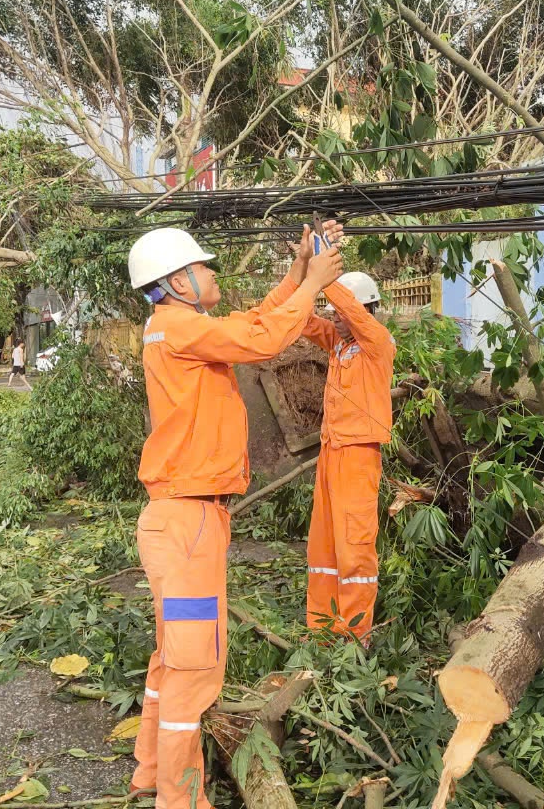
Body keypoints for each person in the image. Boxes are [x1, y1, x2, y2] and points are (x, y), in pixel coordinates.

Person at [129, 226, 343, 809]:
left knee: (172, 655)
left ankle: (150, 772)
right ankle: (181, 800)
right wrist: (315, 285)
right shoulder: (179, 329)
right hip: (190, 522)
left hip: (178, 519)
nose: (215, 274)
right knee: (195, 670)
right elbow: (264, 340)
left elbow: (252, 325)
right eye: (205, 267)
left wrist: (297, 276)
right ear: (178, 281)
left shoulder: (176, 327)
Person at [285, 256, 396, 640]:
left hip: (359, 454)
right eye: (331, 312)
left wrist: (324, 277)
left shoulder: (375, 341)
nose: (332, 318)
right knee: (324, 542)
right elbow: (305, 322)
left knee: (354, 542)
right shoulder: (340, 343)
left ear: (363, 309)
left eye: (339, 311)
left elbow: (348, 310)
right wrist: (302, 275)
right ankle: (322, 625)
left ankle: (353, 630)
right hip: (333, 451)